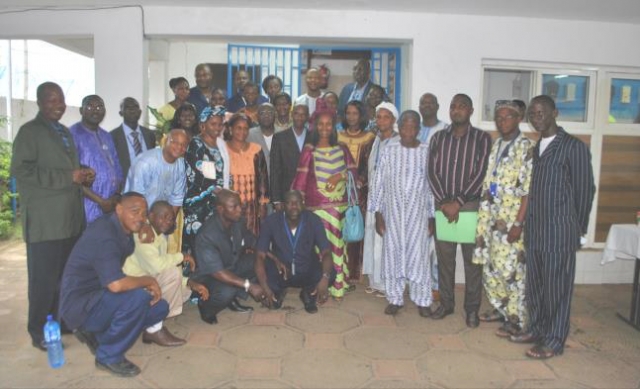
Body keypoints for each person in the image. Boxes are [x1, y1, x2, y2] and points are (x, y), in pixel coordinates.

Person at [11, 81, 93, 351]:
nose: (58, 105)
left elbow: (64, 169)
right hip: (46, 223)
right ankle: (38, 331)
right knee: (43, 281)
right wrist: (68, 176)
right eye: (51, 100)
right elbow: (22, 172)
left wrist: (81, 173)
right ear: (39, 103)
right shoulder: (29, 132)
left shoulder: (63, 132)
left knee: (65, 277)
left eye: (60, 100)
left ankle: (63, 320)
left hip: (69, 220)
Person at [511, 95, 595, 360]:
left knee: (557, 289)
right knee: (535, 286)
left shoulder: (573, 147)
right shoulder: (537, 147)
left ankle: (555, 340)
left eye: (541, 113)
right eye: (532, 114)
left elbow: (585, 191)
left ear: (554, 113)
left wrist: (576, 228)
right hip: (535, 232)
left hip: (559, 233)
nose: (537, 118)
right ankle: (536, 329)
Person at [59, 193, 168, 377]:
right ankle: (108, 356)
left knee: (159, 307)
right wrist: (149, 280)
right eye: (135, 211)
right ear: (119, 209)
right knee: (138, 298)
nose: (140, 218)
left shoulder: (122, 229)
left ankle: (98, 336)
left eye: (144, 213)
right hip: (79, 305)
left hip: (98, 297)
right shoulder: (104, 235)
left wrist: (145, 226)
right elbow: (116, 285)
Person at [427, 94, 492, 328]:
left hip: (470, 207)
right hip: (443, 207)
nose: (456, 110)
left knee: (472, 262)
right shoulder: (438, 139)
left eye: (462, 106)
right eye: (453, 106)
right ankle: (446, 304)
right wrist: (445, 202)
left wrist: (458, 202)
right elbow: (431, 172)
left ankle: (472, 309)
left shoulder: (482, 139)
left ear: (471, 110)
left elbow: (481, 173)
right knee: (445, 260)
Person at [472, 101, 534, 338]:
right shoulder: (497, 144)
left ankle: (516, 319)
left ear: (518, 119)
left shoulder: (527, 147)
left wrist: (518, 224)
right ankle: (501, 309)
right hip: (490, 218)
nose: (502, 121)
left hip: (511, 221)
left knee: (512, 271)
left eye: (508, 117)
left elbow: (528, 191)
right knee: (491, 267)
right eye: (498, 117)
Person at [369, 110, 435, 317]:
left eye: (413, 126)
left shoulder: (426, 151)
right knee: (393, 255)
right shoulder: (389, 149)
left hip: (418, 215)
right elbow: (378, 181)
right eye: (405, 125)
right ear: (399, 126)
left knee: (419, 257)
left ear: (418, 129)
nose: (408, 130)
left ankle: (422, 299)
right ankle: (395, 298)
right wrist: (378, 213)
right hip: (393, 214)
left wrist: (432, 216)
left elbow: (432, 185)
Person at [291, 107, 357, 301]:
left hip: (339, 209)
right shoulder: (309, 151)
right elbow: (301, 179)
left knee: (338, 246)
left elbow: (354, 175)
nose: (325, 127)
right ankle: (321, 285)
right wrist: (298, 205)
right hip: (316, 208)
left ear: (334, 126)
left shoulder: (342, 148)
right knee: (320, 248)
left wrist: (340, 176)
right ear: (314, 126)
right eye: (321, 124)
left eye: (329, 124)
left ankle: (338, 286)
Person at [123, 200, 209, 346]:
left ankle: (151, 322)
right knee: (174, 273)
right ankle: (152, 326)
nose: (167, 221)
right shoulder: (144, 235)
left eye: (170, 218)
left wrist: (189, 283)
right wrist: (183, 256)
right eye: (162, 217)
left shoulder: (157, 234)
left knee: (186, 290)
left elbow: (159, 268)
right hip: (131, 287)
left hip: (147, 280)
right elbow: (158, 266)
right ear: (150, 216)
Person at [191, 190, 266, 324]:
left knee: (259, 260)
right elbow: (218, 272)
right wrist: (249, 286)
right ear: (220, 209)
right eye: (234, 207)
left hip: (230, 265)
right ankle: (206, 307)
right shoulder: (207, 235)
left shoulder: (237, 221)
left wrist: (272, 255)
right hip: (210, 277)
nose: (239, 210)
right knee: (226, 291)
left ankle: (232, 298)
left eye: (239, 205)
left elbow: (252, 241)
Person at [255, 190, 334, 314]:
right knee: (259, 275)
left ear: (303, 204)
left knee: (331, 274)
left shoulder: (313, 220)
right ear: (282, 205)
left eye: (297, 202)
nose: (294, 206)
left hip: (307, 270)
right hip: (282, 272)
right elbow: (260, 255)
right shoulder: (271, 221)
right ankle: (278, 292)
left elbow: (326, 252)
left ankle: (308, 294)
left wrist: (325, 279)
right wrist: (265, 287)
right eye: (289, 203)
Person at [362, 102, 400, 296]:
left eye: (386, 117)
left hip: (390, 201)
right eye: (379, 117)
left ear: (393, 120)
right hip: (373, 199)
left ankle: (387, 284)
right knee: (374, 239)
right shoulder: (377, 140)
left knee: (386, 241)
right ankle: (375, 281)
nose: (381, 120)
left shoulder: (398, 142)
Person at [182, 106, 231, 254]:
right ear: (203, 125)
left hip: (218, 203)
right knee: (199, 246)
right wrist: (220, 191)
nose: (217, 128)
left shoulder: (221, 144)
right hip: (199, 206)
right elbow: (202, 177)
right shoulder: (196, 145)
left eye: (220, 124)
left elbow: (225, 173)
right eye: (213, 124)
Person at [337, 100, 375, 281]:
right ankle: (339, 268)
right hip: (338, 189)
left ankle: (353, 272)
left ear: (361, 116)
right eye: (348, 113)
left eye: (355, 113)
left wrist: (360, 182)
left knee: (355, 227)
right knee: (340, 227)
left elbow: (370, 164)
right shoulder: (337, 136)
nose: (351, 117)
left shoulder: (369, 137)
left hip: (358, 190)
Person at [70, 95, 123, 224]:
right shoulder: (72, 134)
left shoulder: (106, 136)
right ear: (81, 111)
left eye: (99, 107)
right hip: (87, 206)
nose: (95, 110)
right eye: (90, 106)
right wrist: (101, 202)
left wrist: (116, 196)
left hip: (111, 205)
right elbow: (72, 176)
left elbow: (117, 167)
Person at [418, 92, 448, 301]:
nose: (426, 106)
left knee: (436, 245)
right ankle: (419, 283)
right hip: (415, 195)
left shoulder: (446, 130)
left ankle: (436, 286)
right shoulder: (413, 128)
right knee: (417, 242)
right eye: (423, 103)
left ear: (437, 106)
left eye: (430, 102)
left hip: (438, 193)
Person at [125, 129, 188, 224]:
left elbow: (177, 198)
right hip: (136, 217)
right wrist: (144, 224)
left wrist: (169, 222)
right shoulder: (146, 162)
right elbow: (135, 198)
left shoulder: (181, 165)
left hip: (161, 219)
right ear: (166, 140)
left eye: (184, 145)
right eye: (175, 142)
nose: (179, 147)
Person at [226, 113, 270, 235]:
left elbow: (262, 178)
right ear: (230, 129)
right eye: (238, 128)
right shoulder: (223, 148)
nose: (242, 131)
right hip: (230, 206)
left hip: (251, 206)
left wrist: (263, 203)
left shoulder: (256, 149)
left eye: (246, 128)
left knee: (251, 240)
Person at [270, 103, 310, 210]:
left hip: (310, 194)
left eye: (303, 114)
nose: (300, 117)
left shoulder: (314, 137)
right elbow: (275, 170)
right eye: (297, 114)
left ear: (308, 116)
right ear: (292, 115)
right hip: (286, 194)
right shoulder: (279, 138)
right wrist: (277, 199)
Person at [111, 97, 157, 179]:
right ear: (121, 113)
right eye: (127, 107)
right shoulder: (113, 136)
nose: (132, 110)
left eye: (135, 107)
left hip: (149, 182)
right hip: (125, 185)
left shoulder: (149, 134)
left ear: (140, 112)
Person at [248, 103, 278, 178]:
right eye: (262, 113)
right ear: (257, 117)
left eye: (270, 113)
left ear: (275, 116)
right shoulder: (249, 135)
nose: (266, 116)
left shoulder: (283, 134)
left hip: (279, 182)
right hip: (256, 181)